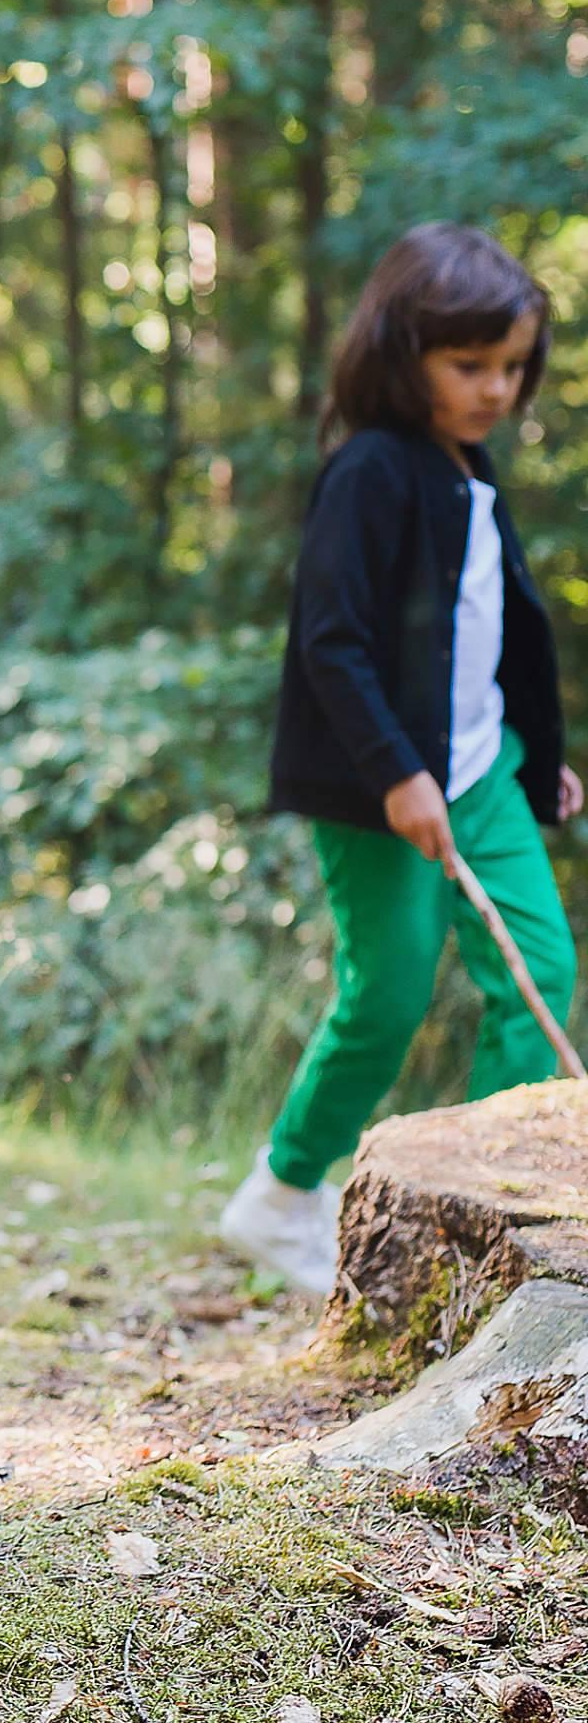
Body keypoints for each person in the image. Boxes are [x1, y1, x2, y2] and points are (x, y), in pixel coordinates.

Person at [221, 221, 580, 1297]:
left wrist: (536, 756)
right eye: (467, 366)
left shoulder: (467, 470)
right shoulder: (368, 470)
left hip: (482, 771)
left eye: (510, 368)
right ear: (399, 353)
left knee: (540, 973)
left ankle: (488, 1212)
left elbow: (487, 630)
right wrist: (393, 772)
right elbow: (329, 639)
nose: (494, 390)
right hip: (380, 781)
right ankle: (278, 1194)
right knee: (383, 993)